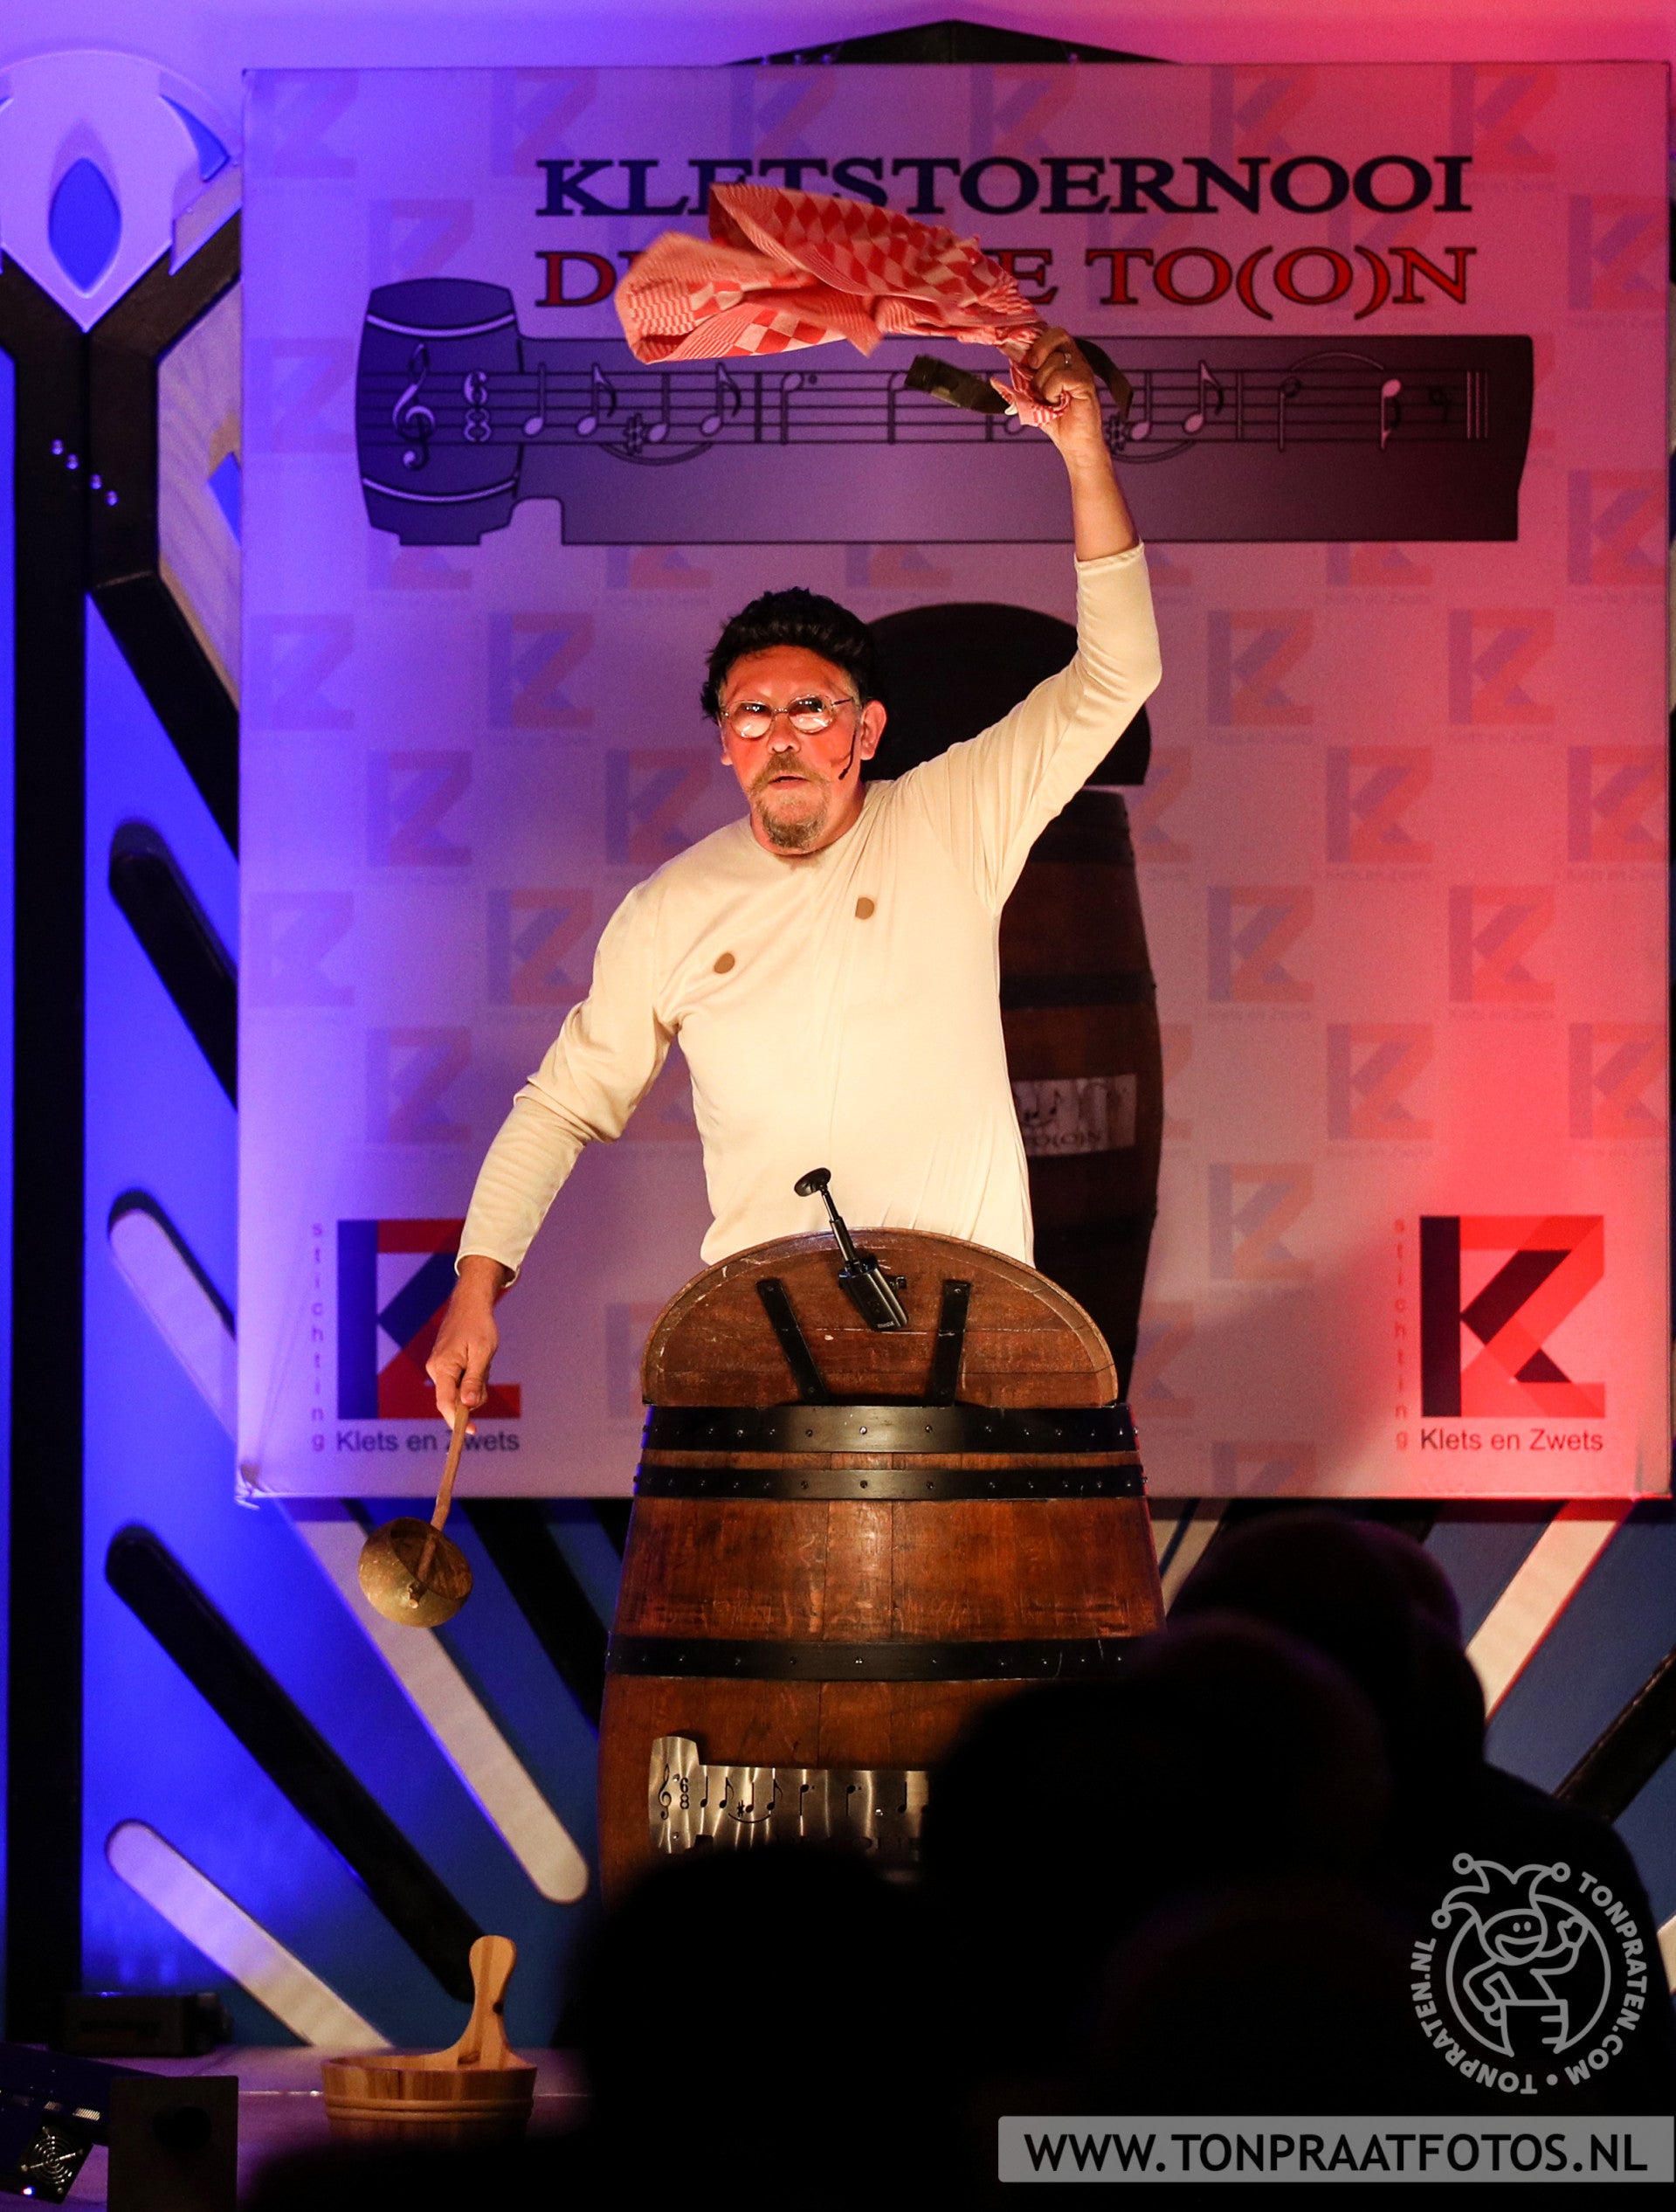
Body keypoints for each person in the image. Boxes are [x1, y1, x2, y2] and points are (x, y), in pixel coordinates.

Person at [424, 328, 1160, 1420]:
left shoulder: (952, 818)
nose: (780, 736)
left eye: (811, 709)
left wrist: (1081, 453)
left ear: (865, 731)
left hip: (975, 1346)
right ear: (724, 744)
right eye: (751, 714)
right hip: (768, 1359)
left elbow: (1117, 674)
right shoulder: (670, 909)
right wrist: (475, 1287)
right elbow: (561, 1105)